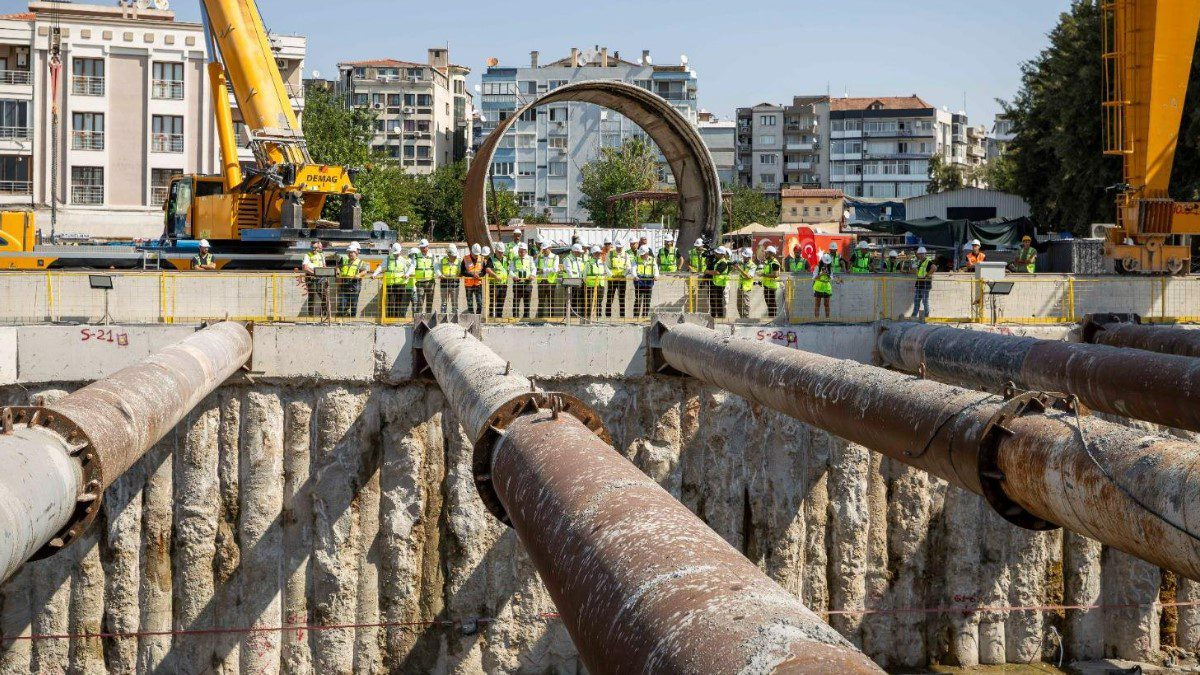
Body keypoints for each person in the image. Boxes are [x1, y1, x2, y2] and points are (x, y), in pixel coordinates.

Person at [374, 243, 413, 319]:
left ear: (400, 252)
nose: (396, 255)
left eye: (397, 253)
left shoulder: (404, 260)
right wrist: (374, 274)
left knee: (399, 303)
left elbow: (411, 267)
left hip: (401, 284)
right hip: (390, 284)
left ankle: (397, 319)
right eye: (394, 254)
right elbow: (381, 267)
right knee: (391, 302)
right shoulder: (388, 259)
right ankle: (390, 319)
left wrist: (407, 274)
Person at [335, 242, 368, 317]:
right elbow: (338, 267)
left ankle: (352, 318)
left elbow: (365, 271)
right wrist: (338, 274)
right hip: (344, 285)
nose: (350, 254)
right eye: (349, 253)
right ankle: (341, 317)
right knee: (342, 303)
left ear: (356, 253)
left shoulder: (361, 262)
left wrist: (359, 275)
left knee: (353, 304)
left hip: (354, 285)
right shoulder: (344, 261)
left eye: (352, 252)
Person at [301, 241, 329, 318]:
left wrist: (326, 277)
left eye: (315, 248)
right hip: (311, 278)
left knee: (324, 296)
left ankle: (323, 314)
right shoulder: (307, 255)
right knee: (312, 296)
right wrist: (315, 273)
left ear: (318, 248)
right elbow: (305, 268)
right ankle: (311, 316)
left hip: (321, 278)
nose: (314, 249)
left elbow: (324, 267)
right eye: (312, 247)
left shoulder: (321, 255)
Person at [606, 240, 631, 318]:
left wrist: (623, 275)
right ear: (615, 246)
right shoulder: (610, 254)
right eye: (618, 247)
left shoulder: (626, 255)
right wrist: (612, 275)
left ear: (623, 247)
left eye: (620, 247)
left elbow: (628, 267)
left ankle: (622, 316)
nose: (619, 248)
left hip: (622, 279)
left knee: (622, 298)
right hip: (612, 279)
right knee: (610, 298)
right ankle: (608, 316)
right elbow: (606, 266)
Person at [583, 245, 609, 320]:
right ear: (593, 253)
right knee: (591, 302)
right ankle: (589, 318)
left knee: (599, 302)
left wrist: (613, 276)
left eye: (599, 253)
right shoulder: (588, 263)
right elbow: (584, 275)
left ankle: (598, 318)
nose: (599, 254)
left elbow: (608, 272)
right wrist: (587, 282)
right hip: (591, 286)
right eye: (597, 253)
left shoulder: (602, 262)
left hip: (601, 285)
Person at [536, 241, 560, 319]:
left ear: (550, 248)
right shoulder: (540, 257)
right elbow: (534, 265)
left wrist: (543, 270)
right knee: (541, 301)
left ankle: (551, 318)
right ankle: (540, 318)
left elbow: (555, 269)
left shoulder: (555, 257)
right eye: (543, 249)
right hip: (541, 281)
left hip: (551, 282)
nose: (543, 250)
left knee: (551, 301)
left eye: (545, 249)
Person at [561, 243, 587, 319]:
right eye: (579, 252)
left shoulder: (578, 259)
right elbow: (569, 272)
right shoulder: (568, 259)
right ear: (575, 251)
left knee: (576, 300)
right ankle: (568, 316)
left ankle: (574, 315)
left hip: (578, 282)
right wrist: (575, 281)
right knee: (570, 300)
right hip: (570, 283)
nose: (580, 254)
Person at [633, 245, 658, 319]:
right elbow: (633, 268)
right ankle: (636, 317)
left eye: (643, 254)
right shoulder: (636, 259)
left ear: (647, 253)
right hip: (639, 281)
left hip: (649, 282)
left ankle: (644, 316)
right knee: (638, 300)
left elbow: (656, 268)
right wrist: (635, 276)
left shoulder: (652, 260)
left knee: (647, 301)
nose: (642, 256)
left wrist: (656, 275)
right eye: (641, 254)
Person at [511, 242, 535, 319]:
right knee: (516, 302)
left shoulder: (530, 258)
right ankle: (515, 317)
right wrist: (514, 276)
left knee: (527, 302)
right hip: (517, 283)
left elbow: (534, 269)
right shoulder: (514, 258)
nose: (521, 253)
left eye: (522, 251)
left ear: (526, 251)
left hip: (527, 283)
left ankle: (526, 318)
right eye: (520, 251)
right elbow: (511, 270)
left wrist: (532, 275)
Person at [912, 246, 936, 322]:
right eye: (920, 254)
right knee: (916, 301)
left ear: (925, 254)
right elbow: (917, 272)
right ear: (918, 254)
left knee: (925, 301)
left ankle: (926, 317)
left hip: (925, 285)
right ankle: (914, 316)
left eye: (922, 254)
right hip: (919, 284)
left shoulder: (928, 261)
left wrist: (927, 275)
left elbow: (934, 268)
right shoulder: (919, 262)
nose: (921, 255)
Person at [412, 239, 436, 314]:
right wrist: (407, 274)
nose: (422, 249)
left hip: (430, 282)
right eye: (421, 247)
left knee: (429, 302)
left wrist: (439, 274)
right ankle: (419, 318)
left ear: (427, 247)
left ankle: (428, 317)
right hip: (420, 282)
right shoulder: (416, 256)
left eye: (423, 247)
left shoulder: (432, 256)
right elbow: (412, 266)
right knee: (420, 302)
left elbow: (436, 266)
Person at [486, 243, 509, 319]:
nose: (501, 254)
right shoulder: (491, 259)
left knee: (501, 300)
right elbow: (487, 269)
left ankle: (499, 316)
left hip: (504, 283)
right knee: (493, 300)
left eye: (502, 252)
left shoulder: (505, 259)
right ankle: (491, 316)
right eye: (499, 252)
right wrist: (495, 276)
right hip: (494, 284)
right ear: (495, 251)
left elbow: (507, 269)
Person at [462, 243, 486, 315]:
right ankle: (471, 316)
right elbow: (463, 271)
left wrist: (479, 275)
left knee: (479, 302)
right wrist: (472, 275)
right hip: (468, 284)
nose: (476, 256)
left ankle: (478, 316)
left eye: (477, 254)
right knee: (470, 302)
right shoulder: (465, 258)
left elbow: (484, 271)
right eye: (475, 254)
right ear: (471, 251)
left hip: (478, 284)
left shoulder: (482, 259)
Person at [760, 246, 782, 319]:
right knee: (769, 303)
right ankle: (771, 319)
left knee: (771, 303)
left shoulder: (775, 263)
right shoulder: (768, 262)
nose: (765, 254)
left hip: (772, 286)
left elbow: (776, 275)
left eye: (767, 253)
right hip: (767, 285)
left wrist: (764, 275)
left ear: (771, 254)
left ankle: (773, 319)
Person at [735, 247, 757, 319]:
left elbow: (748, 276)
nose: (743, 257)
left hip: (746, 288)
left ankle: (746, 319)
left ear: (749, 257)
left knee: (745, 305)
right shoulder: (741, 262)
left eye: (745, 256)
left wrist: (739, 269)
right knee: (739, 305)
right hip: (740, 287)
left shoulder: (753, 266)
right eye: (743, 256)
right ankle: (741, 318)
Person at [438, 244, 461, 314]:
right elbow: (437, 269)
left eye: (455, 256)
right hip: (444, 283)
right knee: (444, 302)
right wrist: (440, 274)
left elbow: (460, 271)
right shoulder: (442, 260)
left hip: (455, 283)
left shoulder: (459, 261)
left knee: (454, 302)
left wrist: (459, 275)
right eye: (453, 256)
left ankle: (455, 316)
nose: (454, 257)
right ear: (449, 254)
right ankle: (442, 316)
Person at [689, 238, 709, 312]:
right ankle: (693, 310)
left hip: (704, 275)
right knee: (693, 293)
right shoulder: (691, 252)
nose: (697, 248)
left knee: (703, 294)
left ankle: (703, 310)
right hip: (694, 275)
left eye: (699, 247)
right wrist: (690, 267)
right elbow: (687, 261)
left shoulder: (707, 252)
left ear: (702, 246)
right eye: (696, 247)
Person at [710, 247, 731, 320]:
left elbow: (717, 272)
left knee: (719, 302)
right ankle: (713, 317)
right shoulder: (717, 261)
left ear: (722, 254)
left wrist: (708, 272)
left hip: (720, 285)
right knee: (713, 302)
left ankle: (720, 318)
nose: (715, 254)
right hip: (715, 284)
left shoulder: (723, 262)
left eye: (717, 253)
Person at [812, 253, 835, 319]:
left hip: (827, 288)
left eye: (827, 263)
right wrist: (821, 274)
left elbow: (831, 278)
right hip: (818, 288)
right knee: (817, 304)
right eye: (825, 263)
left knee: (826, 304)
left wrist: (827, 274)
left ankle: (827, 318)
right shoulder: (817, 267)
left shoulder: (830, 268)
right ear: (822, 261)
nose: (826, 264)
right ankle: (816, 319)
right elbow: (814, 278)